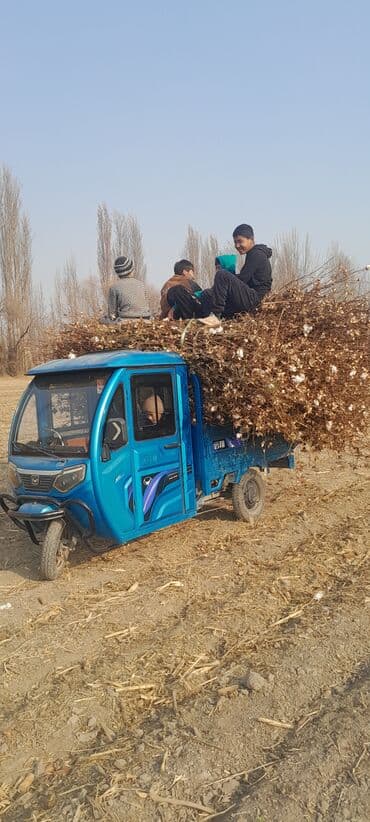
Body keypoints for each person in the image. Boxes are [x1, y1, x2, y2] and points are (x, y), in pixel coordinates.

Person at [166, 227, 272, 324]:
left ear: (251, 239)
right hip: (249, 296)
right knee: (203, 293)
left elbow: (243, 279)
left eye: (240, 241)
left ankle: (215, 317)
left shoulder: (256, 254)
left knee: (222, 274)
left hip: (255, 298)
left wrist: (222, 282)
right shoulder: (253, 254)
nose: (237, 246)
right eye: (235, 242)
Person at [107, 256, 151, 321]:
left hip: (124, 320)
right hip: (146, 319)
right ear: (131, 269)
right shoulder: (141, 285)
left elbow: (112, 314)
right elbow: (147, 305)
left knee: (103, 320)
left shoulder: (114, 287)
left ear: (117, 272)